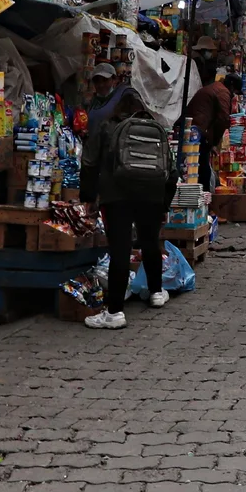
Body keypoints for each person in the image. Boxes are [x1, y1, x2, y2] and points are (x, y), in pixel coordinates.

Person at [81, 91, 177, 328]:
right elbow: (171, 172)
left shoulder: (106, 127)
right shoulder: (155, 130)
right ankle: (156, 292)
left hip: (117, 196)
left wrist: (88, 197)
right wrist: (164, 203)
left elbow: (89, 162)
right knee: (150, 242)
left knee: (120, 250)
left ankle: (114, 312)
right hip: (152, 195)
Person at [184, 72, 239, 194]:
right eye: (235, 91)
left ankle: (201, 196)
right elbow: (223, 119)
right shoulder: (223, 92)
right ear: (232, 87)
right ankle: (204, 199)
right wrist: (214, 142)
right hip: (198, 131)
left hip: (194, 128)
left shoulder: (216, 87)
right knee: (201, 168)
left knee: (196, 166)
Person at [87, 62, 126, 128]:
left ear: (114, 80)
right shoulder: (93, 102)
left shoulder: (120, 102)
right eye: (97, 81)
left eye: (105, 80)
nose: (101, 85)